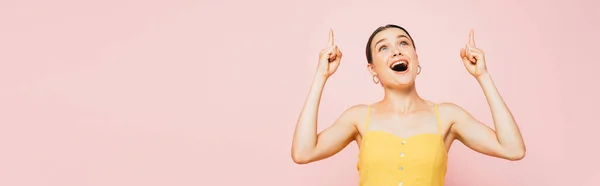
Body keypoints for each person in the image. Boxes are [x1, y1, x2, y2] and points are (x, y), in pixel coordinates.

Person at [291, 24, 526, 186]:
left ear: (415, 57)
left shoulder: (447, 116)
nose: (396, 51)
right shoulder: (358, 117)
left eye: (403, 43)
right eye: (383, 47)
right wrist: (321, 76)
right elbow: (303, 152)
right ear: (373, 69)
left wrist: (482, 76)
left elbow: (513, 148)